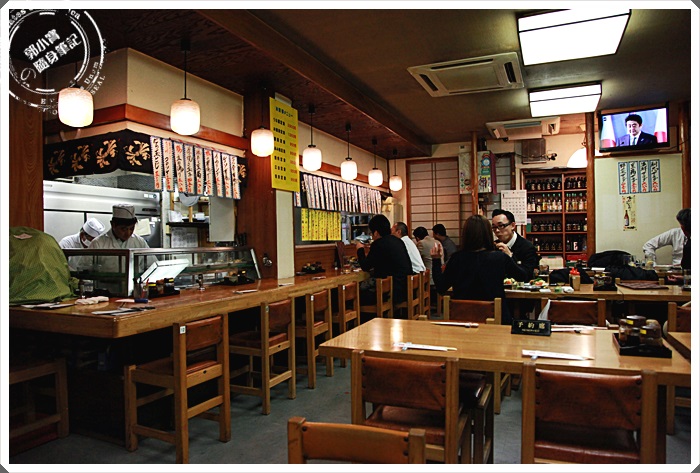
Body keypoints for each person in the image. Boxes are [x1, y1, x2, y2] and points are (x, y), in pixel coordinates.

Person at [430, 215, 527, 325]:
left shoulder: (457, 258)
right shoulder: (499, 257)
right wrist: (510, 256)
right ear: (488, 234)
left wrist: (436, 260)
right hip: (496, 320)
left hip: (462, 319)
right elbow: (522, 276)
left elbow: (441, 287)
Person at [356, 214, 413, 306]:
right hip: (404, 288)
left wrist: (360, 249)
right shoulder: (398, 241)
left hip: (392, 292)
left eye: (371, 233)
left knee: (354, 295)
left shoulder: (378, 244)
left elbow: (365, 266)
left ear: (376, 233)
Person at [491, 209, 541, 280]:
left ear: (513, 225)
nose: (497, 230)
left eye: (501, 226)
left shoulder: (527, 247)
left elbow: (527, 276)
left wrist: (510, 257)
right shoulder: (494, 246)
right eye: (494, 227)